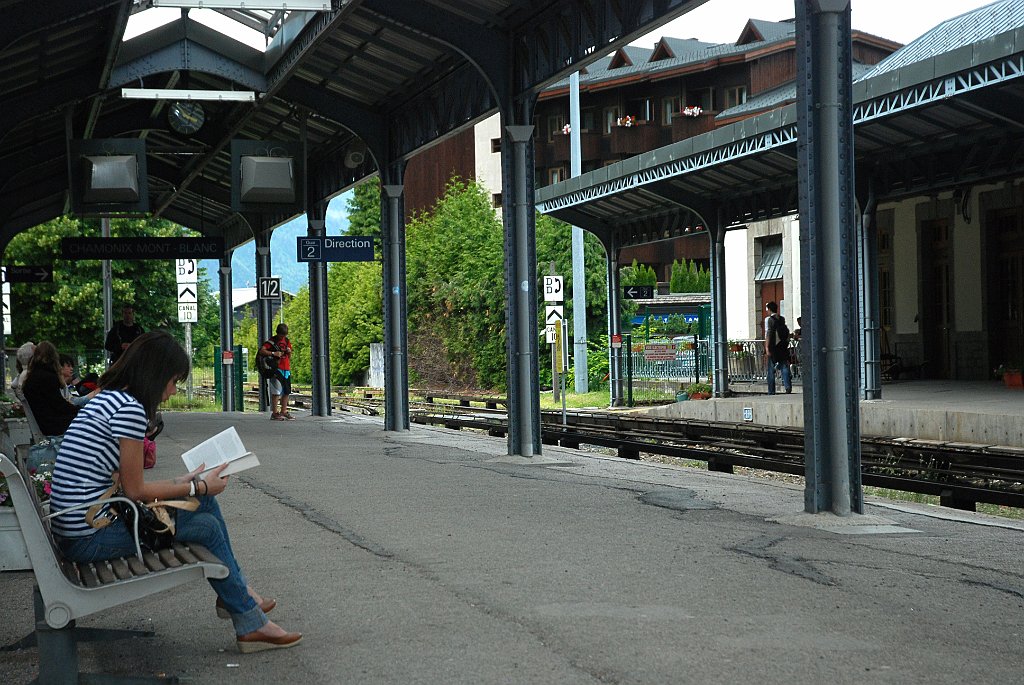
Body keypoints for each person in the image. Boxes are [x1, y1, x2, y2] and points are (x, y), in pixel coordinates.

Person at [48, 331, 302, 653]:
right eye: (173, 381)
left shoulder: (110, 398)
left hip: (82, 524)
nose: (172, 391)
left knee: (203, 500)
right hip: (88, 536)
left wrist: (190, 484)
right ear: (156, 375)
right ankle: (247, 616)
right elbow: (136, 489)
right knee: (205, 525)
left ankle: (238, 597)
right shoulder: (130, 411)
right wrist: (196, 484)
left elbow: (127, 484)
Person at [22, 342, 80, 438]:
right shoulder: (48, 377)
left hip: (45, 421)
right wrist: (80, 410)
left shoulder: (32, 376)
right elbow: (59, 405)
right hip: (54, 424)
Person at [259, 323, 294, 421]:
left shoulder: (287, 341)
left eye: (284, 335)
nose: (283, 337)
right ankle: (274, 413)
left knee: (286, 391)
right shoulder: (271, 341)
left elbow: (289, 357)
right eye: (281, 335)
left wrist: (289, 351)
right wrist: (273, 353)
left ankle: (284, 411)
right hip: (275, 369)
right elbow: (262, 351)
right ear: (277, 333)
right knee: (276, 391)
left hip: (286, 369)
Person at [763, 301, 791, 395]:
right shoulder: (782, 319)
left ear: (769, 309)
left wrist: (767, 348)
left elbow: (768, 333)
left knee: (771, 369)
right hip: (782, 346)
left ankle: (771, 391)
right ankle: (787, 386)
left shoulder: (768, 320)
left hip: (773, 346)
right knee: (784, 366)